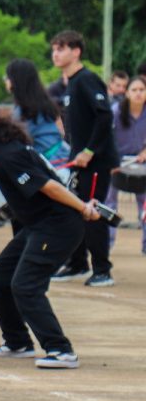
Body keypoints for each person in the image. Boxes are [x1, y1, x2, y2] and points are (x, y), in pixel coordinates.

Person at [0, 99, 100, 369]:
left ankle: (60, 349)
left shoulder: (8, 155)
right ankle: (17, 341)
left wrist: (83, 208)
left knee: (25, 285)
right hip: (40, 225)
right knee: (0, 275)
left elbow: (49, 187)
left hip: (58, 225)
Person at [50, 31, 118, 287]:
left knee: (92, 211)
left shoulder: (87, 79)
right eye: (54, 49)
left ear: (76, 51)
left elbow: (104, 116)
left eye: (61, 48)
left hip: (95, 162)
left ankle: (103, 269)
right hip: (78, 161)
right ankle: (77, 263)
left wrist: (89, 150)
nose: (56, 53)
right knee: (75, 210)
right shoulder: (71, 84)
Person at [5, 59, 71, 163]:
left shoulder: (23, 111)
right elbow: (61, 131)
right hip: (63, 154)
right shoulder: (44, 102)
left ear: (15, 80)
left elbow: (16, 144)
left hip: (51, 163)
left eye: (7, 77)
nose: (6, 81)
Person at [109, 76, 146, 255]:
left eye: (142, 90)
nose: (138, 93)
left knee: (144, 203)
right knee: (109, 202)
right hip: (116, 161)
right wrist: (113, 160)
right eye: (134, 90)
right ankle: (106, 243)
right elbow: (106, 136)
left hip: (141, 161)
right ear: (127, 93)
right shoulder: (116, 111)